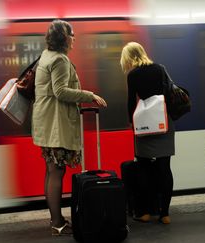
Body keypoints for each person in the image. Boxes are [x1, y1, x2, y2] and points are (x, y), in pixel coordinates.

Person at [31, 19, 107, 236]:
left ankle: (57, 219)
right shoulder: (60, 60)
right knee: (57, 171)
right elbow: (61, 91)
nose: (75, 38)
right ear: (65, 38)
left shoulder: (46, 55)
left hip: (46, 122)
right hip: (55, 123)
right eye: (72, 34)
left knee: (51, 170)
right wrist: (90, 95)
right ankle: (56, 223)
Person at [120, 42, 174, 224]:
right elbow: (170, 91)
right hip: (163, 122)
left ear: (129, 57)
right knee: (164, 169)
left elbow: (130, 101)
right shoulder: (160, 69)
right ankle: (165, 214)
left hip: (144, 125)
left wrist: (131, 123)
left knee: (143, 169)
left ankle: (145, 212)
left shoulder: (132, 75)